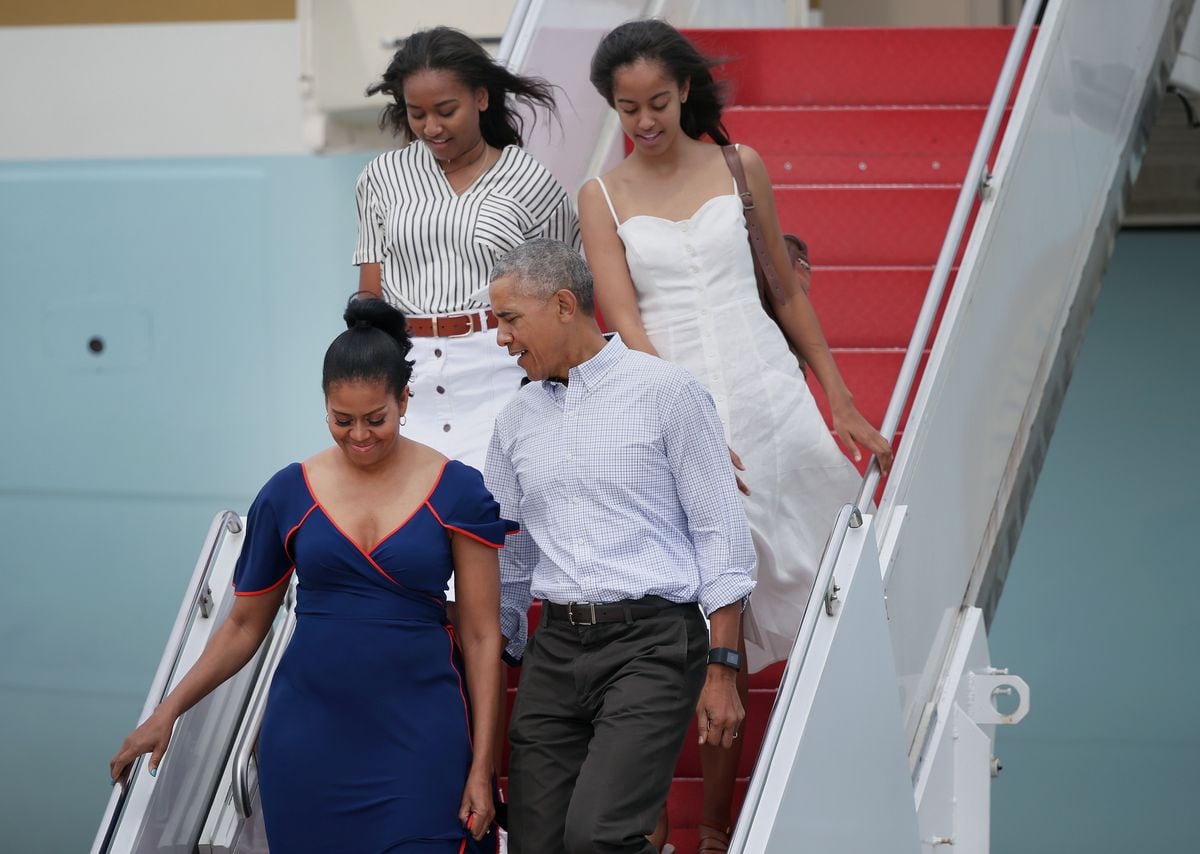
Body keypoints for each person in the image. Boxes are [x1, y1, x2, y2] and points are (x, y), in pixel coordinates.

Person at [578, 19, 894, 853]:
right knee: (694, 627)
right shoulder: (601, 196)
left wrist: (842, 402)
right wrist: (682, 429)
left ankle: (718, 829)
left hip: (772, 405)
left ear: (684, 89)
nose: (644, 121)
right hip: (677, 413)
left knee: (809, 594)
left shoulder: (738, 165)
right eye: (626, 108)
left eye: (656, 102)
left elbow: (786, 297)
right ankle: (654, 831)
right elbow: (625, 321)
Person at [109, 296, 512, 852]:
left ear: (404, 399)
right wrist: (167, 713)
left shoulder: (458, 489)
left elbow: (481, 633)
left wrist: (481, 766)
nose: (360, 436)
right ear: (324, 406)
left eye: (377, 419)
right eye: (341, 421)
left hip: (421, 732)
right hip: (309, 738)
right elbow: (243, 627)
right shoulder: (287, 493)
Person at [483, 238, 757, 854]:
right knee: (533, 842)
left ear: (561, 305)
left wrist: (723, 667)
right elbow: (509, 553)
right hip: (555, 649)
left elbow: (721, 535)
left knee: (598, 839)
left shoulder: (669, 392)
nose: (501, 338)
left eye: (508, 319)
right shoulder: (515, 418)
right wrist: (498, 644)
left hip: (653, 643)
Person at [355, 25, 581, 474]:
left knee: (501, 516)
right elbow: (369, 297)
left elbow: (566, 300)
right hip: (409, 372)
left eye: (445, 110)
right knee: (418, 520)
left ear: (481, 98)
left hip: (502, 364)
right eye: (417, 114)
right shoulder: (380, 177)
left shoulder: (532, 181)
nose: (431, 127)